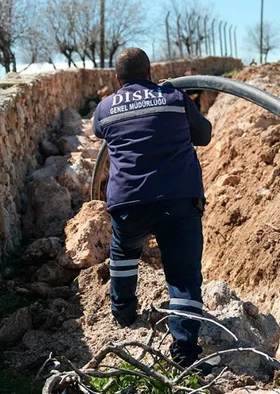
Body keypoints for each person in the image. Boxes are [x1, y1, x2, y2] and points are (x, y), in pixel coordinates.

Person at [93, 47, 213, 370]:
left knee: (123, 250)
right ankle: (185, 353)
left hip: (128, 202)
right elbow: (204, 135)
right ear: (150, 73)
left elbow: (99, 131)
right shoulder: (174, 97)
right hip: (178, 200)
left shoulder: (105, 108)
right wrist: (170, 96)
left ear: (118, 79)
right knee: (183, 276)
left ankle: (123, 314)